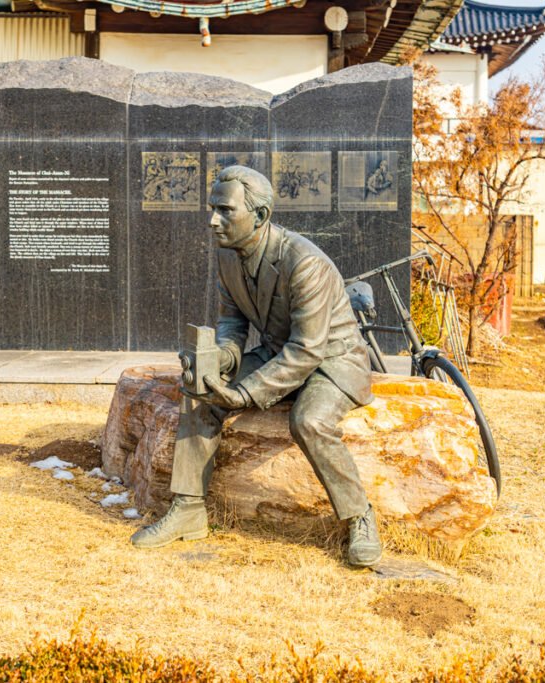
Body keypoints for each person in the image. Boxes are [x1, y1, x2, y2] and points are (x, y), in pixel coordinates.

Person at [130, 165, 382, 567]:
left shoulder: (304, 262)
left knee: (310, 421)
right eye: (212, 208)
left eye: (225, 210)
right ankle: (188, 508)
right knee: (200, 392)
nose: (213, 220)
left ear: (260, 216)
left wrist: (245, 393)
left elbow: (308, 349)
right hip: (280, 352)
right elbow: (232, 321)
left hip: (331, 362)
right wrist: (221, 360)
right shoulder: (230, 258)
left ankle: (359, 516)